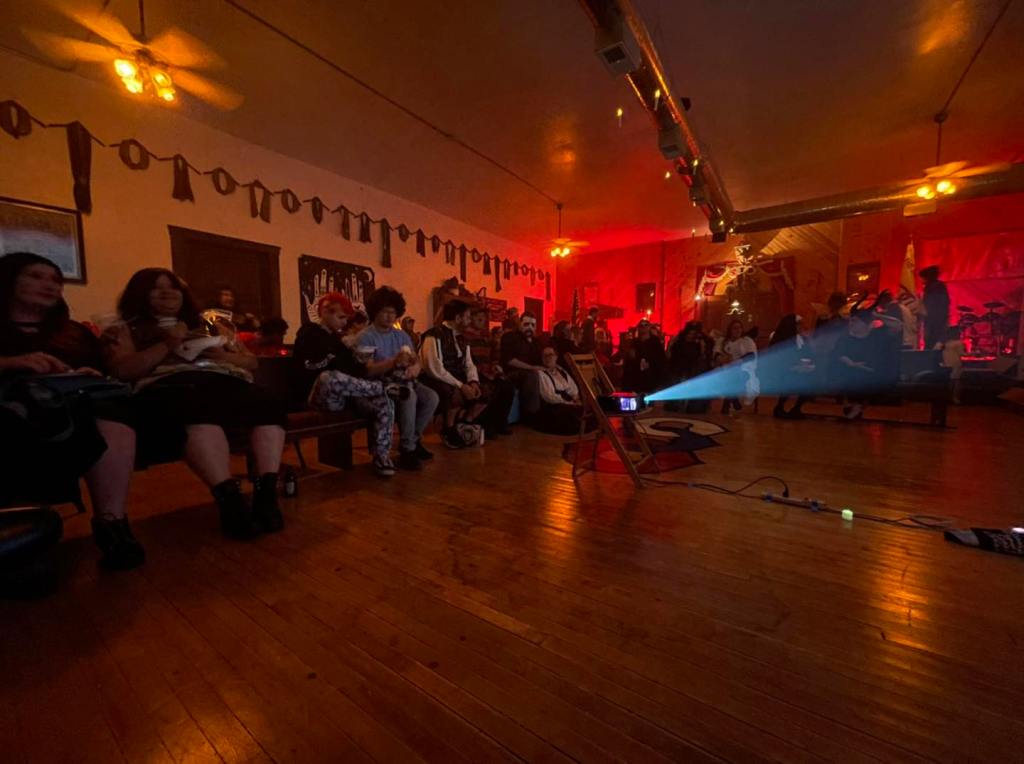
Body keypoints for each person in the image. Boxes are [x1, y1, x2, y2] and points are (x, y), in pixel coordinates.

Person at [105, 268, 286, 538]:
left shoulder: (208, 323)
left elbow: (251, 361)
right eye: (156, 287)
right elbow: (123, 370)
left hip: (221, 380)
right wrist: (169, 343)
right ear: (140, 294)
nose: (167, 292)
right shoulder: (124, 328)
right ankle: (230, 500)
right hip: (171, 387)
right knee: (194, 407)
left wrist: (222, 356)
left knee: (268, 403)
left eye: (173, 287)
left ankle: (266, 494)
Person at [0, 253, 145, 570]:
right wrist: (12, 362)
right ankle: (23, 523)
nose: (49, 285)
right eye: (35, 276)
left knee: (110, 408)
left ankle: (112, 522)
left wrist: (89, 373)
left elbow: (104, 370)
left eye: (55, 280)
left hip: (70, 402)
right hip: (13, 408)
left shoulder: (74, 332)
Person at [293, 292, 401, 477]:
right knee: (329, 378)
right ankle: (385, 388)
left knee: (384, 402)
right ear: (325, 312)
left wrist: (358, 358)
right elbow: (310, 367)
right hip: (317, 395)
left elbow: (354, 371)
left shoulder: (339, 340)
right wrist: (335, 356)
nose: (344, 322)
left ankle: (381, 457)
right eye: (341, 317)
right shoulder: (308, 333)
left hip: (344, 397)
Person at [357, 286, 439, 470]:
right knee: (409, 396)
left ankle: (413, 440)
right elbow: (367, 371)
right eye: (385, 312)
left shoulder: (401, 335)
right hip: (380, 385)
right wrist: (393, 362)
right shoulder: (366, 336)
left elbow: (415, 359)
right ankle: (408, 449)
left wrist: (416, 367)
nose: (389, 316)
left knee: (431, 397)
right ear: (375, 311)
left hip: (404, 379)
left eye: (393, 312)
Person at [419, 299, 489, 448]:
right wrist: (461, 386)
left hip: (457, 378)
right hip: (434, 379)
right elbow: (434, 368)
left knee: (486, 389)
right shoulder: (433, 335)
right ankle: (448, 428)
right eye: (467, 317)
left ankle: (465, 422)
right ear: (457, 318)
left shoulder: (463, 338)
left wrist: (473, 382)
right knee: (452, 391)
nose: (470, 320)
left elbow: (469, 364)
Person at [465, 306, 514, 438]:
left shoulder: (486, 336)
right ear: (471, 318)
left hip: (489, 370)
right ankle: (486, 425)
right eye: (478, 317)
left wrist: (495, 365)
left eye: (484, 317)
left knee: (508, 387)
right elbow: (468, 362)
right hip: (474, 373)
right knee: (491, 388)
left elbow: (494, 355)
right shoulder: (465, 336)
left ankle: (500, 422)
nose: (482, 320)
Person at [834, 309, 885, 420]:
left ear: (864, 323)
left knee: (863, 377)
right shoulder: (845, 338)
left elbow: (877, 360)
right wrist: (851, 363)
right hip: (849, 369)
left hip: (869, 371)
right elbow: (838, 353)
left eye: (855, 321)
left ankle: (856, 406)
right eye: (850, 321)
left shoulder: (875, 338)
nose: (851, 324)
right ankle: (853, 405)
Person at [500, 310, 544, 420]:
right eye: (526, 324)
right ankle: (531, 415)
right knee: (532, 376)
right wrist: (532, 368)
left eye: (533, 325)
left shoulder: (536, 342)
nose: (530, 327)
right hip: (512, 373)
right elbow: (509, 360)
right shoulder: (510, 337)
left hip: (532, 372)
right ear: (520, 324)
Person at [768, 314, 814, 419]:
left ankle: (797, 408)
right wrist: (795, 366)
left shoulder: (802, 339)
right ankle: (779, 407)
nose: (802, 326)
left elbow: (809, 355)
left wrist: (806, 364)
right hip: (783, 371)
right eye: (799, 324)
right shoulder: (782, 340)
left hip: (797, 369)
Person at [533, 346, 585, 435]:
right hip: (555, 405)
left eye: (550, 355)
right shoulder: (541, 373)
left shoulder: (561, 371)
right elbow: (549, 396)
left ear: (556, 357)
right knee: (570, 415)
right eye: (544, 356)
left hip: (569, 400)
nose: (547, 358)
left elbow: (572, 387)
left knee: (587, 409)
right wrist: (568, 403)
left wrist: (576, 398)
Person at [714, 319, 758, 414]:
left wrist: (737, 361)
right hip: (725, 368)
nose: (738, 330)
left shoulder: (746, 341)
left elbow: (751, 355)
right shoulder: (723, 341)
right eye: (735, 328)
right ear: (730, 330)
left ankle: (727, 403)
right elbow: (717, 353)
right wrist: (722, 358)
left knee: (734, 376)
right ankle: (734, 400)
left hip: (743, 368)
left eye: (739, 328)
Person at [667, 321, 710, 412]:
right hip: (679, 370)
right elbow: (671, 356)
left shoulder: (698, 343)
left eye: (693, 334)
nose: (690, 336)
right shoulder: (679, 343)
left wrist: (702, 348)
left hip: (693, 371)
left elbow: (702, 358)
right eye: (689, 333)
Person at [621, 319, 668, 394]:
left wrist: (651, 364)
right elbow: (629, 363)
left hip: (651, 379)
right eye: (641, 325)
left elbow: (661, 359)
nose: (643, 327)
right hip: (637, 379)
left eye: (646, 325)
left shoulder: (655, 342)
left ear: (649, 327)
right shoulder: (635, 343)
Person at [920, 265, 950, 350]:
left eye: (922, 278)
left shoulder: (932, 289)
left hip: (934, 322)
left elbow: (931, 307)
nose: (921, 281)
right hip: (936, 321)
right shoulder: (939, 287)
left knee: (931, 345)